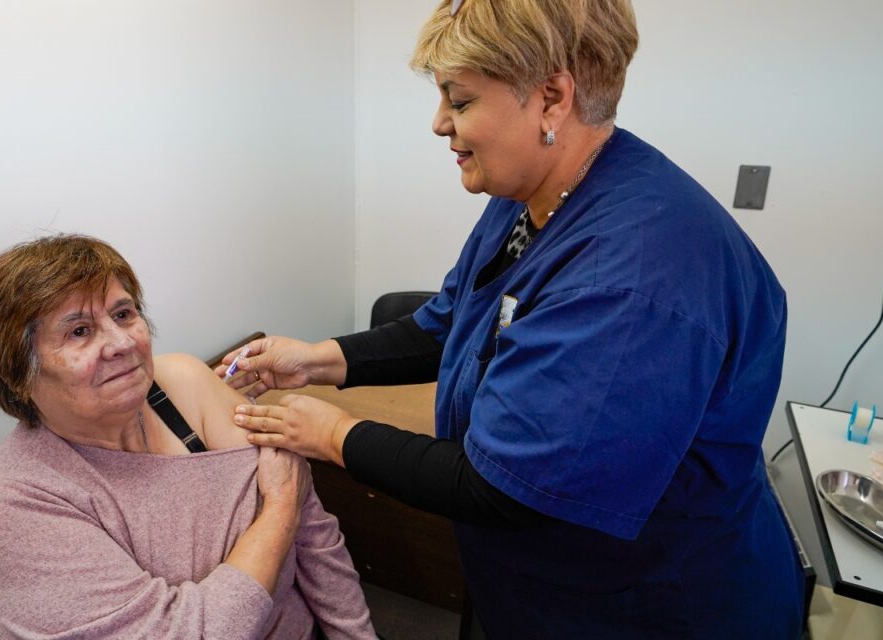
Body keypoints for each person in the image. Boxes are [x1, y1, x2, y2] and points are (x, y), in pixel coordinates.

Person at [221, 1, 802, 638]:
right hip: (528, 587)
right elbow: (447, 324)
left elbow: (502, 488)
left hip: (648, 604)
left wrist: (332, 433)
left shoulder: (632, 279)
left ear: (551, 98)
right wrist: (318, 359)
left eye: (461, 101)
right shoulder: (536, 192)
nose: (440, 123)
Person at [0, 234, 375, 639]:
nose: (122, 342)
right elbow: (289, 502)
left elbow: (314, 534)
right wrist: (279, 509)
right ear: (17, 373)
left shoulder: (179, 384)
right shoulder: (9, 506)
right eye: (79, 332)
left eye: (123, 314)